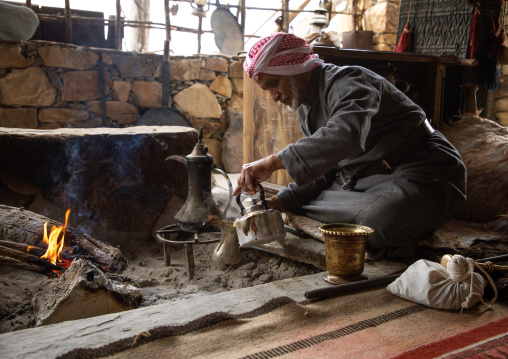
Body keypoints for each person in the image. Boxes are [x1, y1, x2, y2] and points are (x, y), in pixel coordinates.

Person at [232, 32, 466, 259]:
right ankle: (355, 213)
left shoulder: (351, 80)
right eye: (267, 89)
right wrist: (281, 201)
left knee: (380, 220)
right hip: (364, 182)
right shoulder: (306, 106)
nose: (273, 96)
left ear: (293, 68)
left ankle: (376, 218)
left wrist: (273, 162)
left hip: (422, 170)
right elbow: (328, 167)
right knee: (298, 205)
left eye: (274, 84)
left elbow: (347, 134)